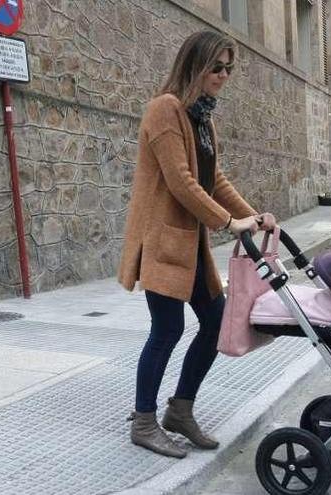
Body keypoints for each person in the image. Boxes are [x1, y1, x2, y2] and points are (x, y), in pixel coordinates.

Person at [118, 31, 277, 459]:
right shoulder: (164, 110)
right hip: (163, 241)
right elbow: (181, 182)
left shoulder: (202, 119)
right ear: (195, 65)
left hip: (190, 245)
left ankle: (181, 410)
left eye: (229, 68)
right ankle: (145, 421)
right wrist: (230, 222)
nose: (224, 75)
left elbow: (213, 178)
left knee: (215, 322)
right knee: (166, 329)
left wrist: (254, 216)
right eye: (217, 67)